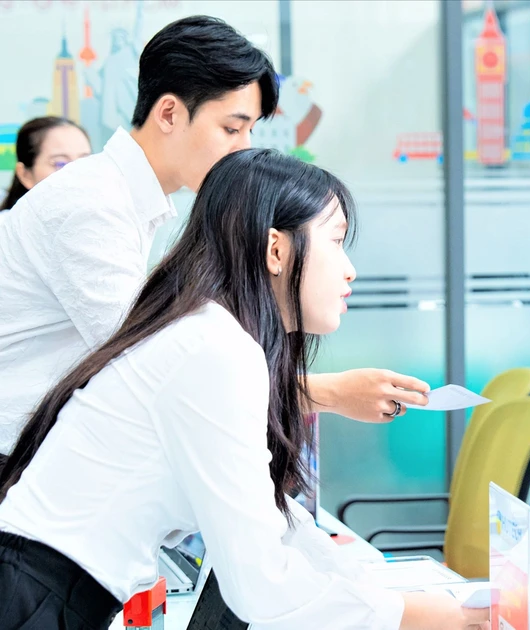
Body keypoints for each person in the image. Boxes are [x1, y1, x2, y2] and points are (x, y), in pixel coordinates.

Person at [0, 149, 488, 630]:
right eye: (336, 241)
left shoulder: (210, 335)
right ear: (277, 250)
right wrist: (410, 616)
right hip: (33, 596)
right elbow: (261, 584)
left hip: (40, 588)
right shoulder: (214, 347)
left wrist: (376, 592)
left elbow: (273, 528)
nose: (349, 270)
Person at [0, 16, 429, 468]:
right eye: (231, 128)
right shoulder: (93, 206)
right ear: (169, 114)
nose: (244, 150)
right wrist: (330, 393)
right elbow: (155, 369)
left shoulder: (125, 199)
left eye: (251, 131)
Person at [1, 117, 92, 210]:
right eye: (61, 163)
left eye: (84, 161)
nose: (77, 172)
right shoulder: (7, 223)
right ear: (25, 175)